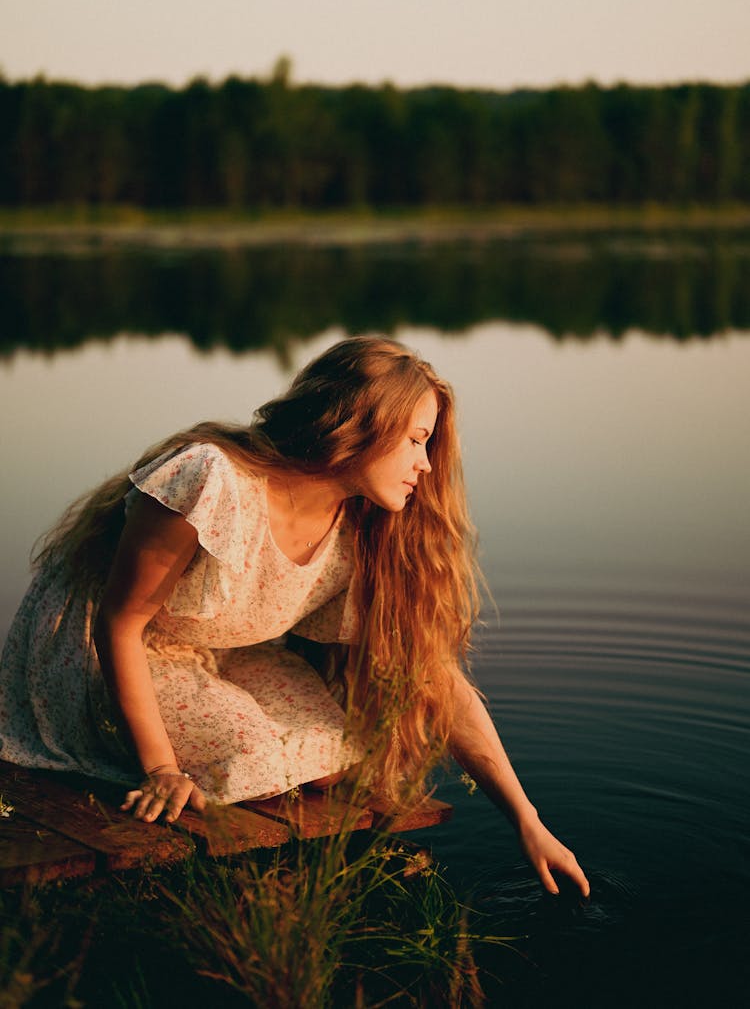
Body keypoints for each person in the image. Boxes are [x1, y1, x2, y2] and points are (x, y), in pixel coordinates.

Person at [0, 336, 589, 898]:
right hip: (103, 650)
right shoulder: (214, 480)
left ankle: (277, 884)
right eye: (415, 440)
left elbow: (433, 676)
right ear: (359, 424)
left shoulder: (364, 534)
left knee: (333, 756)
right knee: (252, 760)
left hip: (220, 648)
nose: (426, 466)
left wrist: (526, 820)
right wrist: (161, 769)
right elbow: (119, 623)